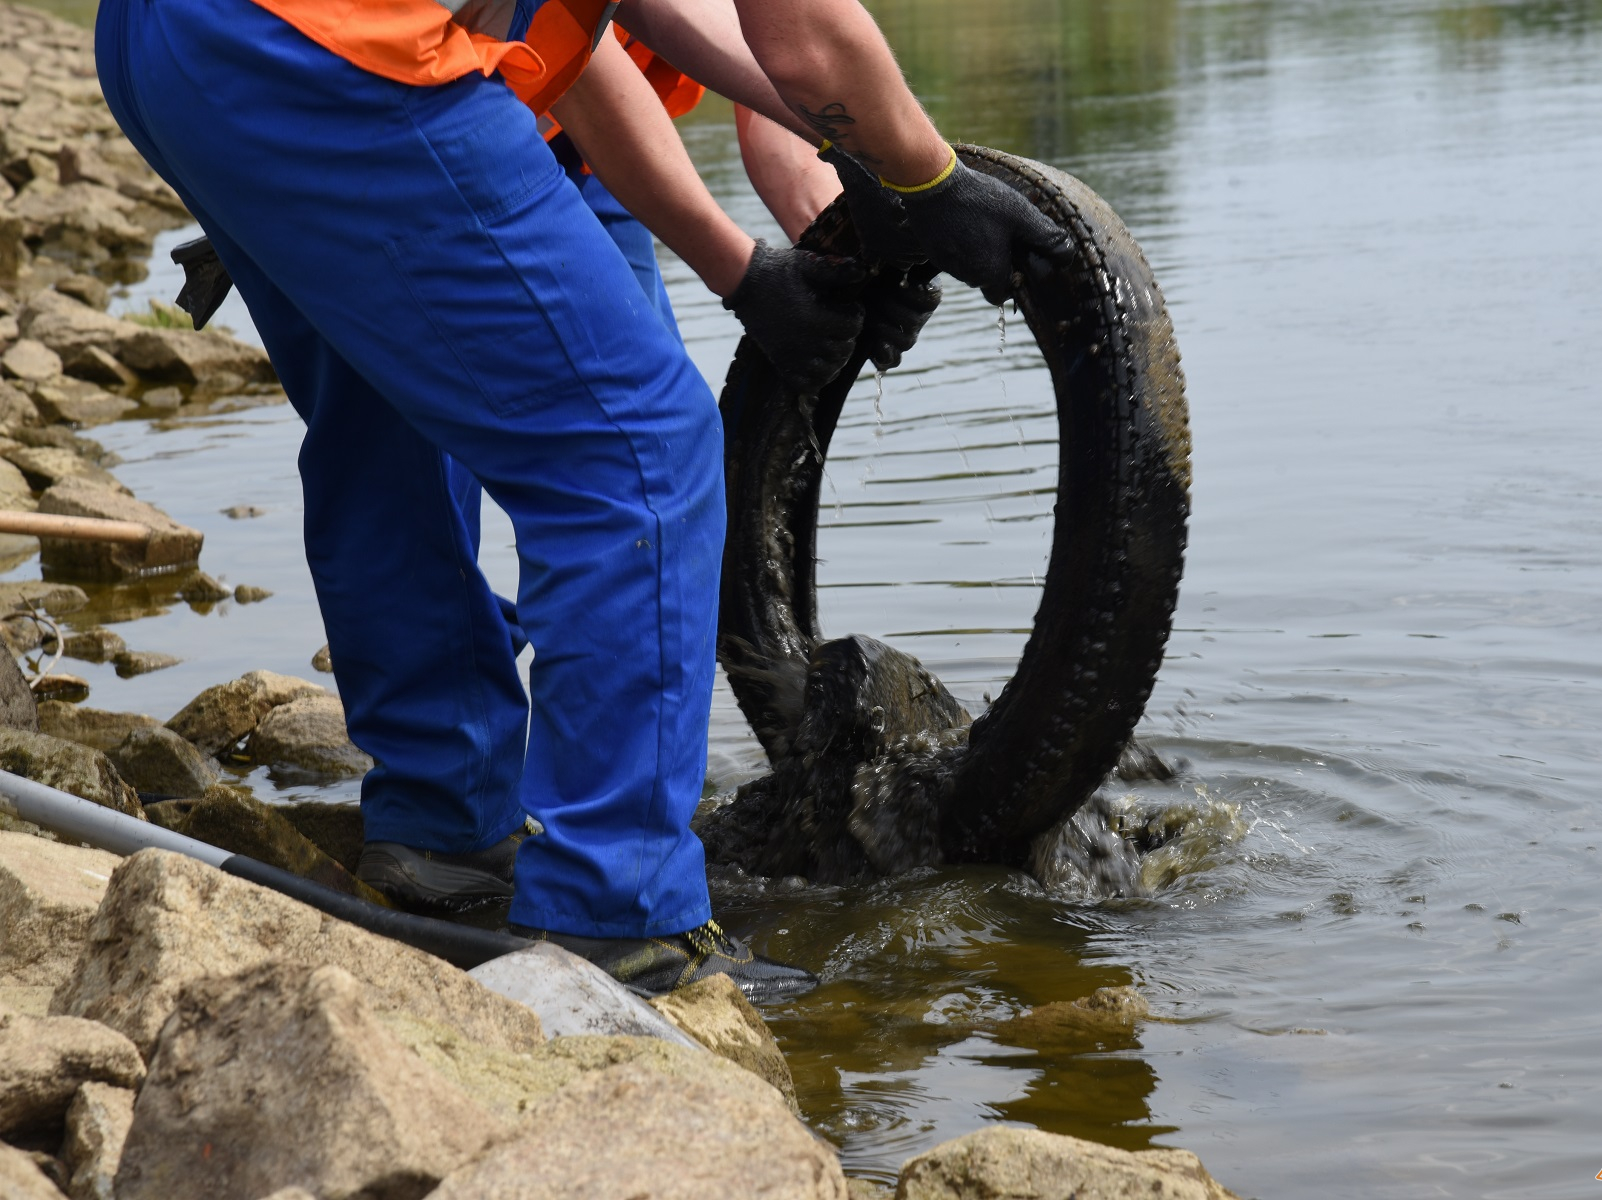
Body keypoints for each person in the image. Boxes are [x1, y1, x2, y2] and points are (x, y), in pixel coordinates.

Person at [94, 0, 1069, 997]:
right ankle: (618, 921)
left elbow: (599, 43)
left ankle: (447, 828)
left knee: (386, 431)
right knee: (638, 455)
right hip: (338, 55)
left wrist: (761, 269)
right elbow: (804, 39)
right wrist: (929, 180)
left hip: (180, 44)